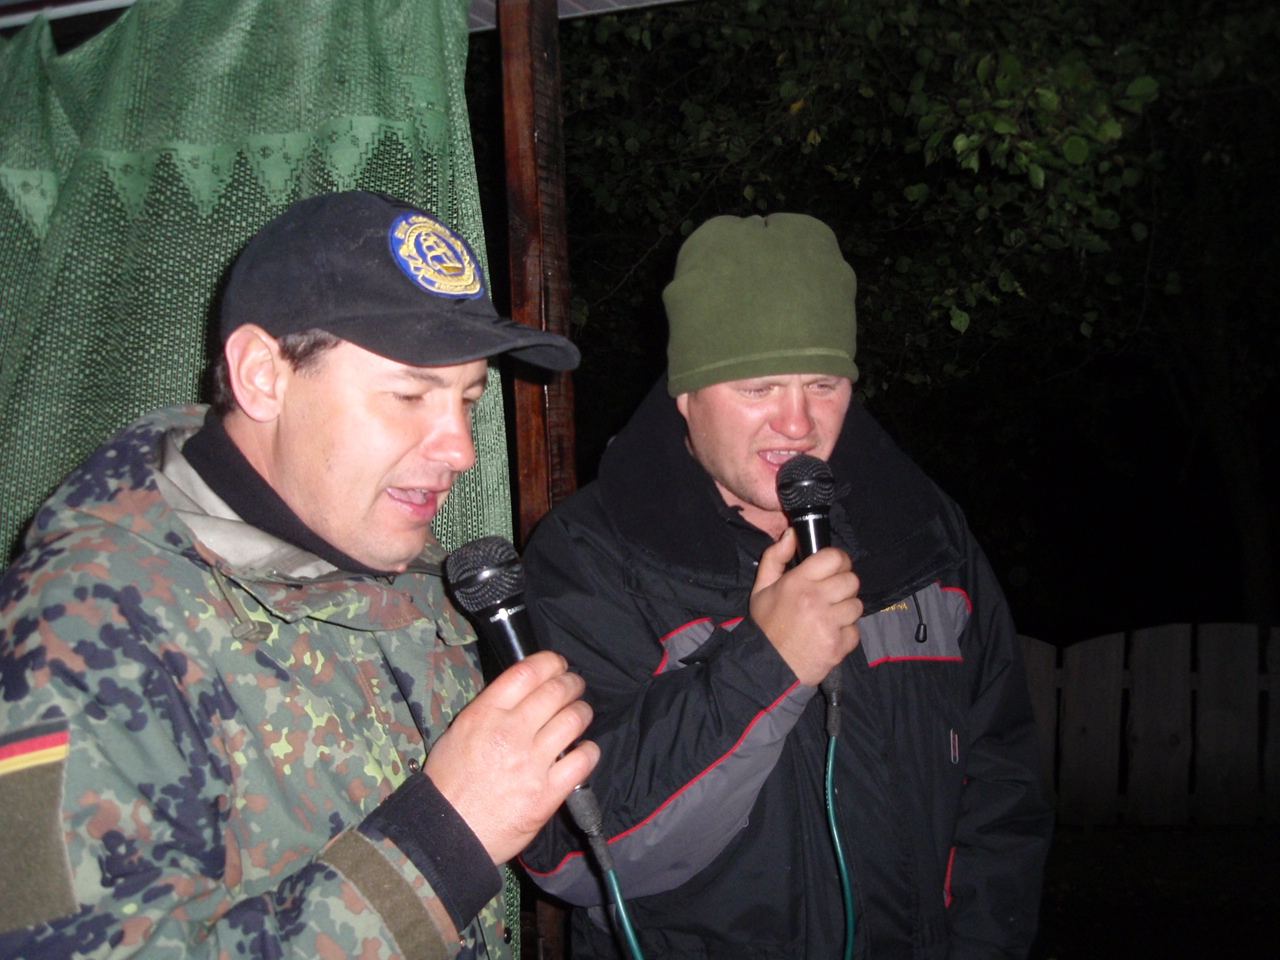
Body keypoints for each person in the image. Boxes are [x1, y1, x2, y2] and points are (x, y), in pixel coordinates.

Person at [0, 191, 599, 960]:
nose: (460, 449)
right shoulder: (71, 634)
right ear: (263, 376)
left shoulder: (411, 575)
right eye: (409, 396)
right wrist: (442, 847)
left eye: (468, 401)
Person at [519, 214, 1053, 958]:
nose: (798, 423)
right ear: (686, 393)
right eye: (759, 386)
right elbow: (572, 851)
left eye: (823, 384)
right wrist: (766, 663)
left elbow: (1003, 782)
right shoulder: (588, 558)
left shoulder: (922, 535)